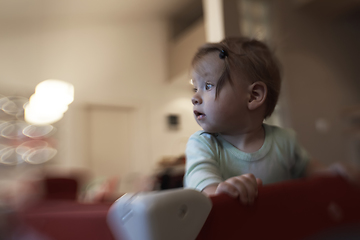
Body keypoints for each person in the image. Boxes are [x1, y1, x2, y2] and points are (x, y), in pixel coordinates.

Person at [184, 37, 358, 205]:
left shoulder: (285, 141)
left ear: (253, 96)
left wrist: (334, 173)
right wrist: (220, 192)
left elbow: (310, 171)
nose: (195, 97)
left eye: (207, 86)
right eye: (195, 88)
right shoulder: (202, 145)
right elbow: (201, 184)